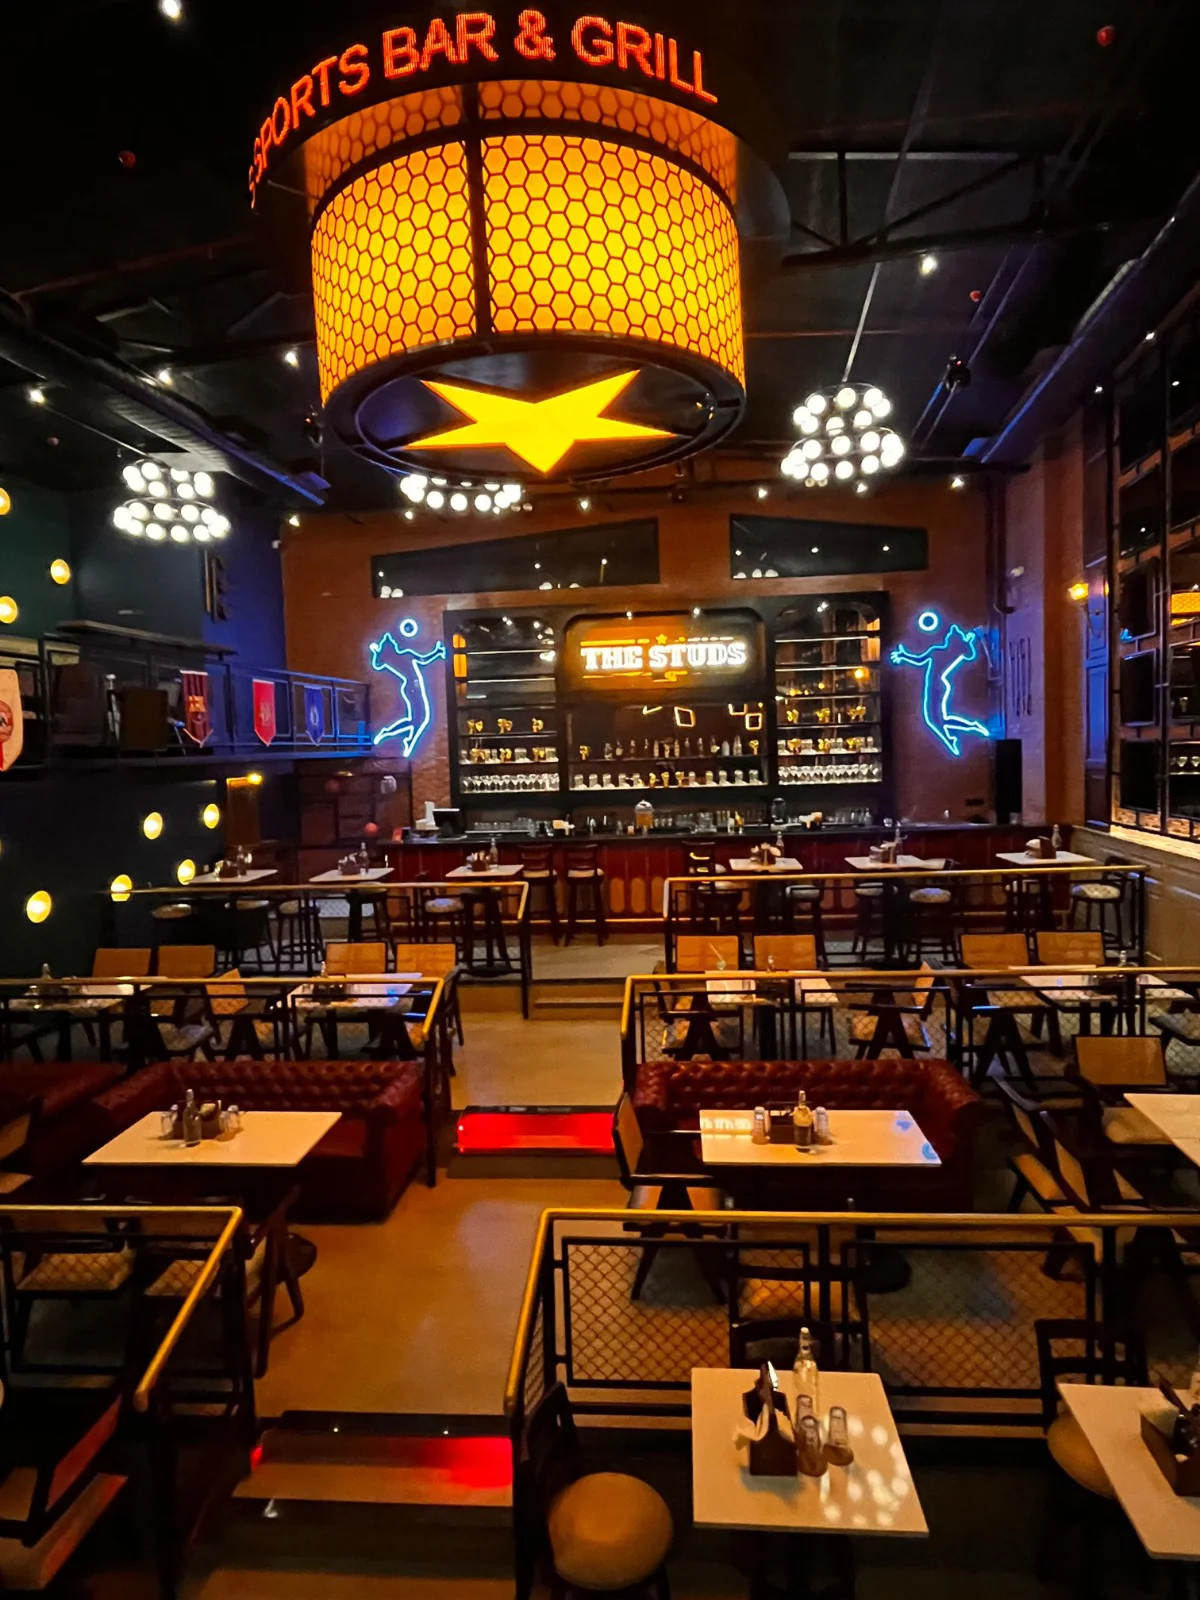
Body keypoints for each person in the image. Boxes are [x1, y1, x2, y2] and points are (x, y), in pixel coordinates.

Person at [890, 612, 989, 757]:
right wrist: (904, 655)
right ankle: (967, 730)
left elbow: (919, 660)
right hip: (940, 686)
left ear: (952, 641)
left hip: (936, 687)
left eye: (950, 635)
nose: (947, 636)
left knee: (933, 720)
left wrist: (903, 655)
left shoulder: (941, 652)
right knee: (938, 719)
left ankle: (957, 736)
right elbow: (970, 653)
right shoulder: (951, 652)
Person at [369, 620, 447, 757]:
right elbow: (424, 660)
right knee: (422, 719)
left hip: (409, 688)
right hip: (413, 689)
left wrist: (376, 651)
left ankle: (395, 736)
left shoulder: (392, 658)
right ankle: (401, 739)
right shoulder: (404, 655)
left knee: (416, 720)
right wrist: (437, 652)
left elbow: (377, 663)